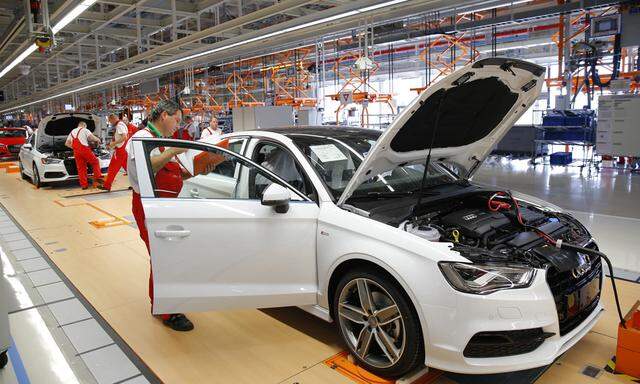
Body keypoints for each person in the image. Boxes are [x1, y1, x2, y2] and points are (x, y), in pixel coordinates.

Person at [126, 100, 194, 332]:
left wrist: (196, 172)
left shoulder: (160, 143)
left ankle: (162, 303)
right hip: (148, 206)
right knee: (163, 257)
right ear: (164, 115)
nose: (178, 124)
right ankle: (167, 310)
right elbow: (148, 167)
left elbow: (170, 175)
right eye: (177, 119)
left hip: (165, 206)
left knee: (166, 256)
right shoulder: (141, 138)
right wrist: (175, 149)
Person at [65, 121, 103, 190]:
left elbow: (67, 143)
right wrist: (98, 139)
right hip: (85, 150)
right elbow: (92, 138)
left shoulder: (72, 132)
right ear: (84, 125)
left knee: (81, 168)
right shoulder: (85, 130)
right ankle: (98, 180)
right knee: (95, 162)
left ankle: (84, 186)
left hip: (76, 152)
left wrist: (75, 148)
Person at [100, 114, 129, 191]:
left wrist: (114, 143)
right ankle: (138, 184)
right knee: (129, 169)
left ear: (113, 119)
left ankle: (107, 185)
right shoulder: (121, 124)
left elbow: (124, 137)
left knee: (113, 167)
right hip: (124, 149)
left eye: (110, 121)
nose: (110, 123)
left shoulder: (119, 125)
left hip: (121, 150)